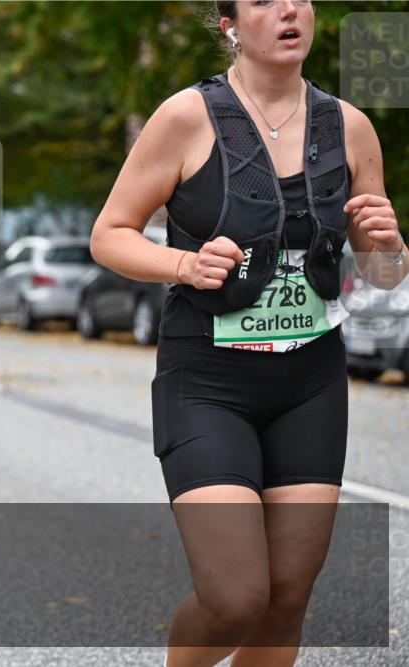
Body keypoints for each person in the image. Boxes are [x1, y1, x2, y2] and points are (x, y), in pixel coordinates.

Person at [88, 2, 407, 666]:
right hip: (207, 380)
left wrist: (389, 245)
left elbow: (381, 271)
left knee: (286, 596)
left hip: (310, 381)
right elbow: (108, 235)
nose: (290, 9)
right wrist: (183, 263)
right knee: (235, 597)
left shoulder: (350, 127)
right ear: (230, 23)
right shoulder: (184, 119)